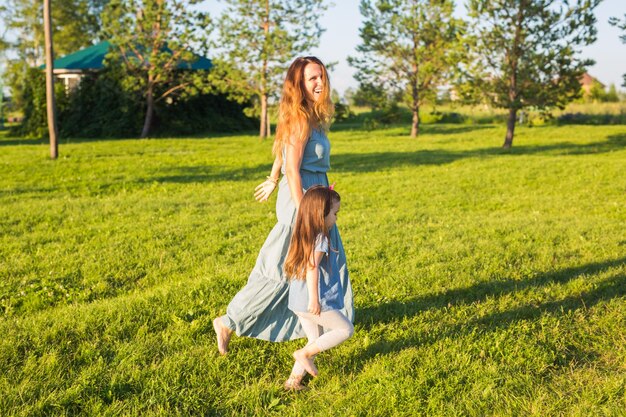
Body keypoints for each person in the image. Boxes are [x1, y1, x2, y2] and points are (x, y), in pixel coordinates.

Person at [212, 56, 353, 355]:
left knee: (315, 263)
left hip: (313, 193)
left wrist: (272, 177)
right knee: (280, 270)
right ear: (299, 84)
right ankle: (229, 321)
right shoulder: (301, 117)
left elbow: (284, 154)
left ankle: (319, 326)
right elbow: (292, 166)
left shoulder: (310, 114)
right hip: (301, 200)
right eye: (311, 78)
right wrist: (306, 213)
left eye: (321, 76)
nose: (319, 82)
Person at [283, 185, 354, 390]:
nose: (336, 218)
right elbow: (312, 267)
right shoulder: (321, 238)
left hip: (297, 301)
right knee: (345, 329)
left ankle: (293, 381)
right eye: (334, 213)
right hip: (314, 301)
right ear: (320, 214)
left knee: (315, 339)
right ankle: (304, 354)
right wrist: (314, 299)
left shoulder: (303, 233)